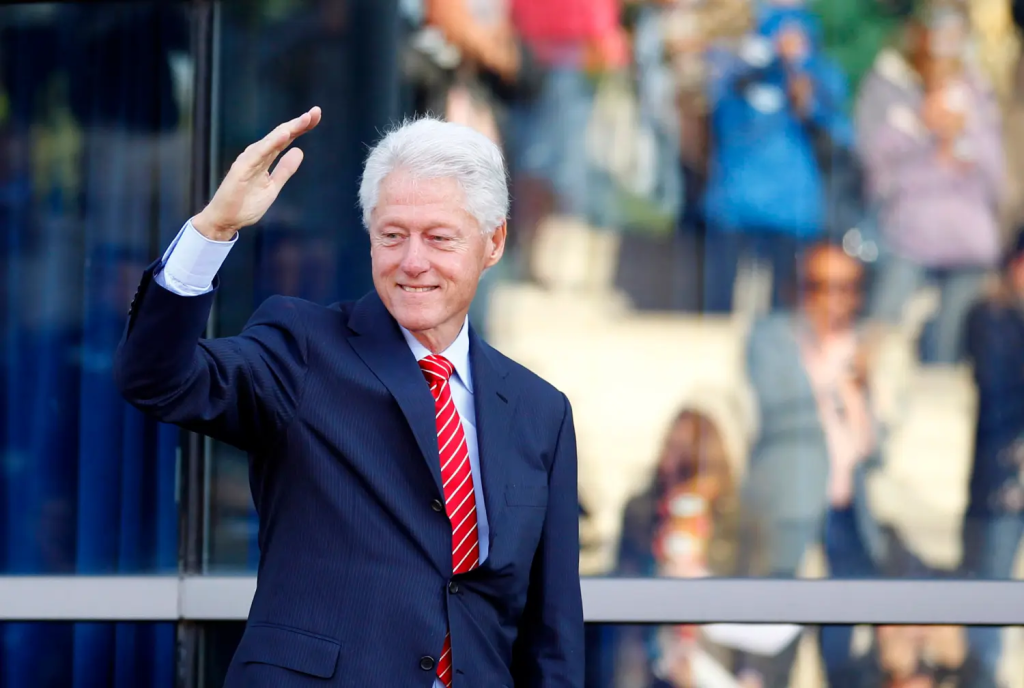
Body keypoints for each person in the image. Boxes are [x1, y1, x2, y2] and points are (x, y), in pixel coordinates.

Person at [113, 107, 584, 687]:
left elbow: (551, 634)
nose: (413, 262)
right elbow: (156, 380)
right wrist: (213, 229)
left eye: (439, 238)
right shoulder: (303, 349)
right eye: (392, 236)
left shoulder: (541, 411)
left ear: (493, 242)